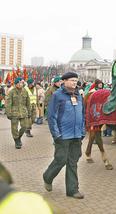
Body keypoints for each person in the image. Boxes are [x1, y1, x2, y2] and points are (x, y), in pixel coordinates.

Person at [43, 71, 85, 199]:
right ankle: (47, 176)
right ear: (64, 81)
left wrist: (82, 131)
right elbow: (51, 116)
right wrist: (56, 134)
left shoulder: (79, 96)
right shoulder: (57, 95)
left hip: (76, 135)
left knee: (73, 162)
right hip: (62, 135)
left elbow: (82, 115)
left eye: (76, 80)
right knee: (60, 160)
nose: (74, 82)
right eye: (72, 80)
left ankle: (72, 190)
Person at [5, 77, 30, 149]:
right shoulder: (12, 92)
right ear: (16, 84)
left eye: (21, 83)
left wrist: (29, 111)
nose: (20, 84)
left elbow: (28, 103)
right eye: (19, 83)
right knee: (14, 128)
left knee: (24, 126)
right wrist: (8, 113)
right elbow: (8, 103)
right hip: (14, 112)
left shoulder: (25, 91)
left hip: (23, 112)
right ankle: (16, 140)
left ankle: (18, 137)